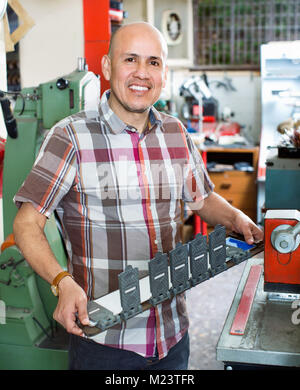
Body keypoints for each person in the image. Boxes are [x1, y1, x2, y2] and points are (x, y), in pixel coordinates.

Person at [13, 22, 263, 370]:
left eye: (154, 62)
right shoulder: (71, 137)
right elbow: (27, 223)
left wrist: (236, 218)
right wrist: (61, 281)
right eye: (130, 59)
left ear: (163, 74)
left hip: (173, 334)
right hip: (104, 342)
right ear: (106, 66)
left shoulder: (176, 133)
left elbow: (202, 200)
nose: (142, 73)